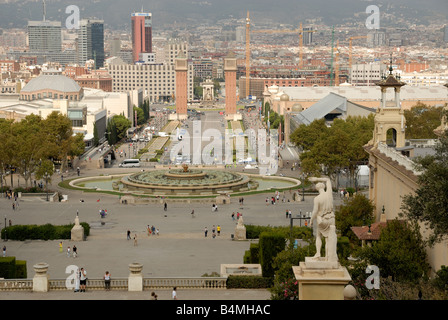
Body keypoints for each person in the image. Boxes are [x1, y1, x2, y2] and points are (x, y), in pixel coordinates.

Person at [309, 177, 338, 262]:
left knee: (318, 236)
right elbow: (328, 179)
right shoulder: (329, 194)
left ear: (317, 189)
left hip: (323, 220)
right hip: (332, 218)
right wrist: (317, 178)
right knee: (328, 239)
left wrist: (311, 220)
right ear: (323, 187)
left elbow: (315, 211)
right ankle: (327, 257)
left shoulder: (317, 199)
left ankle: (318, 253)